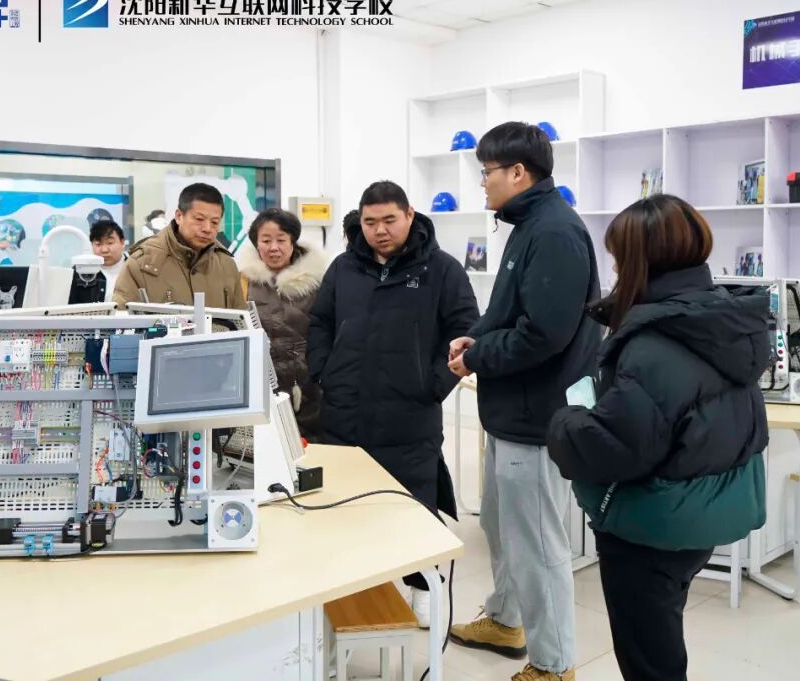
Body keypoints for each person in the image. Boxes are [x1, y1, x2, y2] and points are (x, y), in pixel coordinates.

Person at [547, 195, 768, 681]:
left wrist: (564, 421)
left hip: (651, 527)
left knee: (649, 659)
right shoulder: (722, 322)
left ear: (639, 260)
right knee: (661, 637)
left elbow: (615, 448)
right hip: (703, 511)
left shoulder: (652, 343)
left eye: (619, 257)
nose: (614, 268)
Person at [446, 122, 600, 681]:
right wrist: (476, 338)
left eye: (486, 172)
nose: (482, 183)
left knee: (535, 542)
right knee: (500, 526)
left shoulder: (554, 232)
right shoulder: (528, 224)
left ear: (518, 172)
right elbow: (508, 310)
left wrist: (480, 358)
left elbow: (545, 333)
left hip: (537, 416)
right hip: (512, 411)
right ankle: (507, 619)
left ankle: (554, 665)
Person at [308, 180, 479, 626]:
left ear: (409, 215)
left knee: (414, 508)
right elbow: (320, 321)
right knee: (346, 507)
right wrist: (323, 370)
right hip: (345, 412)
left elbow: (465, 329)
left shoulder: (442, 269)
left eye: (389, 220)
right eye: (370, 222)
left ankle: (422, 587)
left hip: (410, 415)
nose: (380, 230)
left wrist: (434, 384)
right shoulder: (344, 267)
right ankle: (352, 590)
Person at [237, 208, 327, 443]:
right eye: (266, 241)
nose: (273, 248)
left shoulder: (317, 281)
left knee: (310, 449)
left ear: (293, 241)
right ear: (256, 244)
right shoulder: (242, 281)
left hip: (308, 387)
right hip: (259, 387)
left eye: (281, 240)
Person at [113, 183, 246, 309]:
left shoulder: (226, 264)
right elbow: (121, 318)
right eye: (199, 219)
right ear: (179, 216)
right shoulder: (143, 263)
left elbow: (241, 319)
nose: (207, 228)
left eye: (214, 222)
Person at [70, 220, 127, 304]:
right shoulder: (80, 270)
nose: (104, 250)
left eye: (110, 243)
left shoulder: (134, 268)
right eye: (98, 244)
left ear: (122, 242)